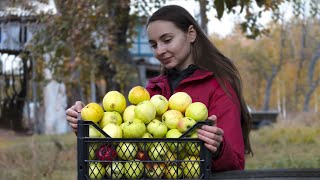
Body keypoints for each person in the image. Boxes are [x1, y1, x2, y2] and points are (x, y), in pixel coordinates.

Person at [66, 5, 253, 171]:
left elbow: (236, 161)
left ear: (191, 33)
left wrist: (218, 148)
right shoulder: (153, 90)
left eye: (167, 40)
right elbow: (129, 151)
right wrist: (88, 125)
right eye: (154, 45)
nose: (159, 51)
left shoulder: (218, 85)